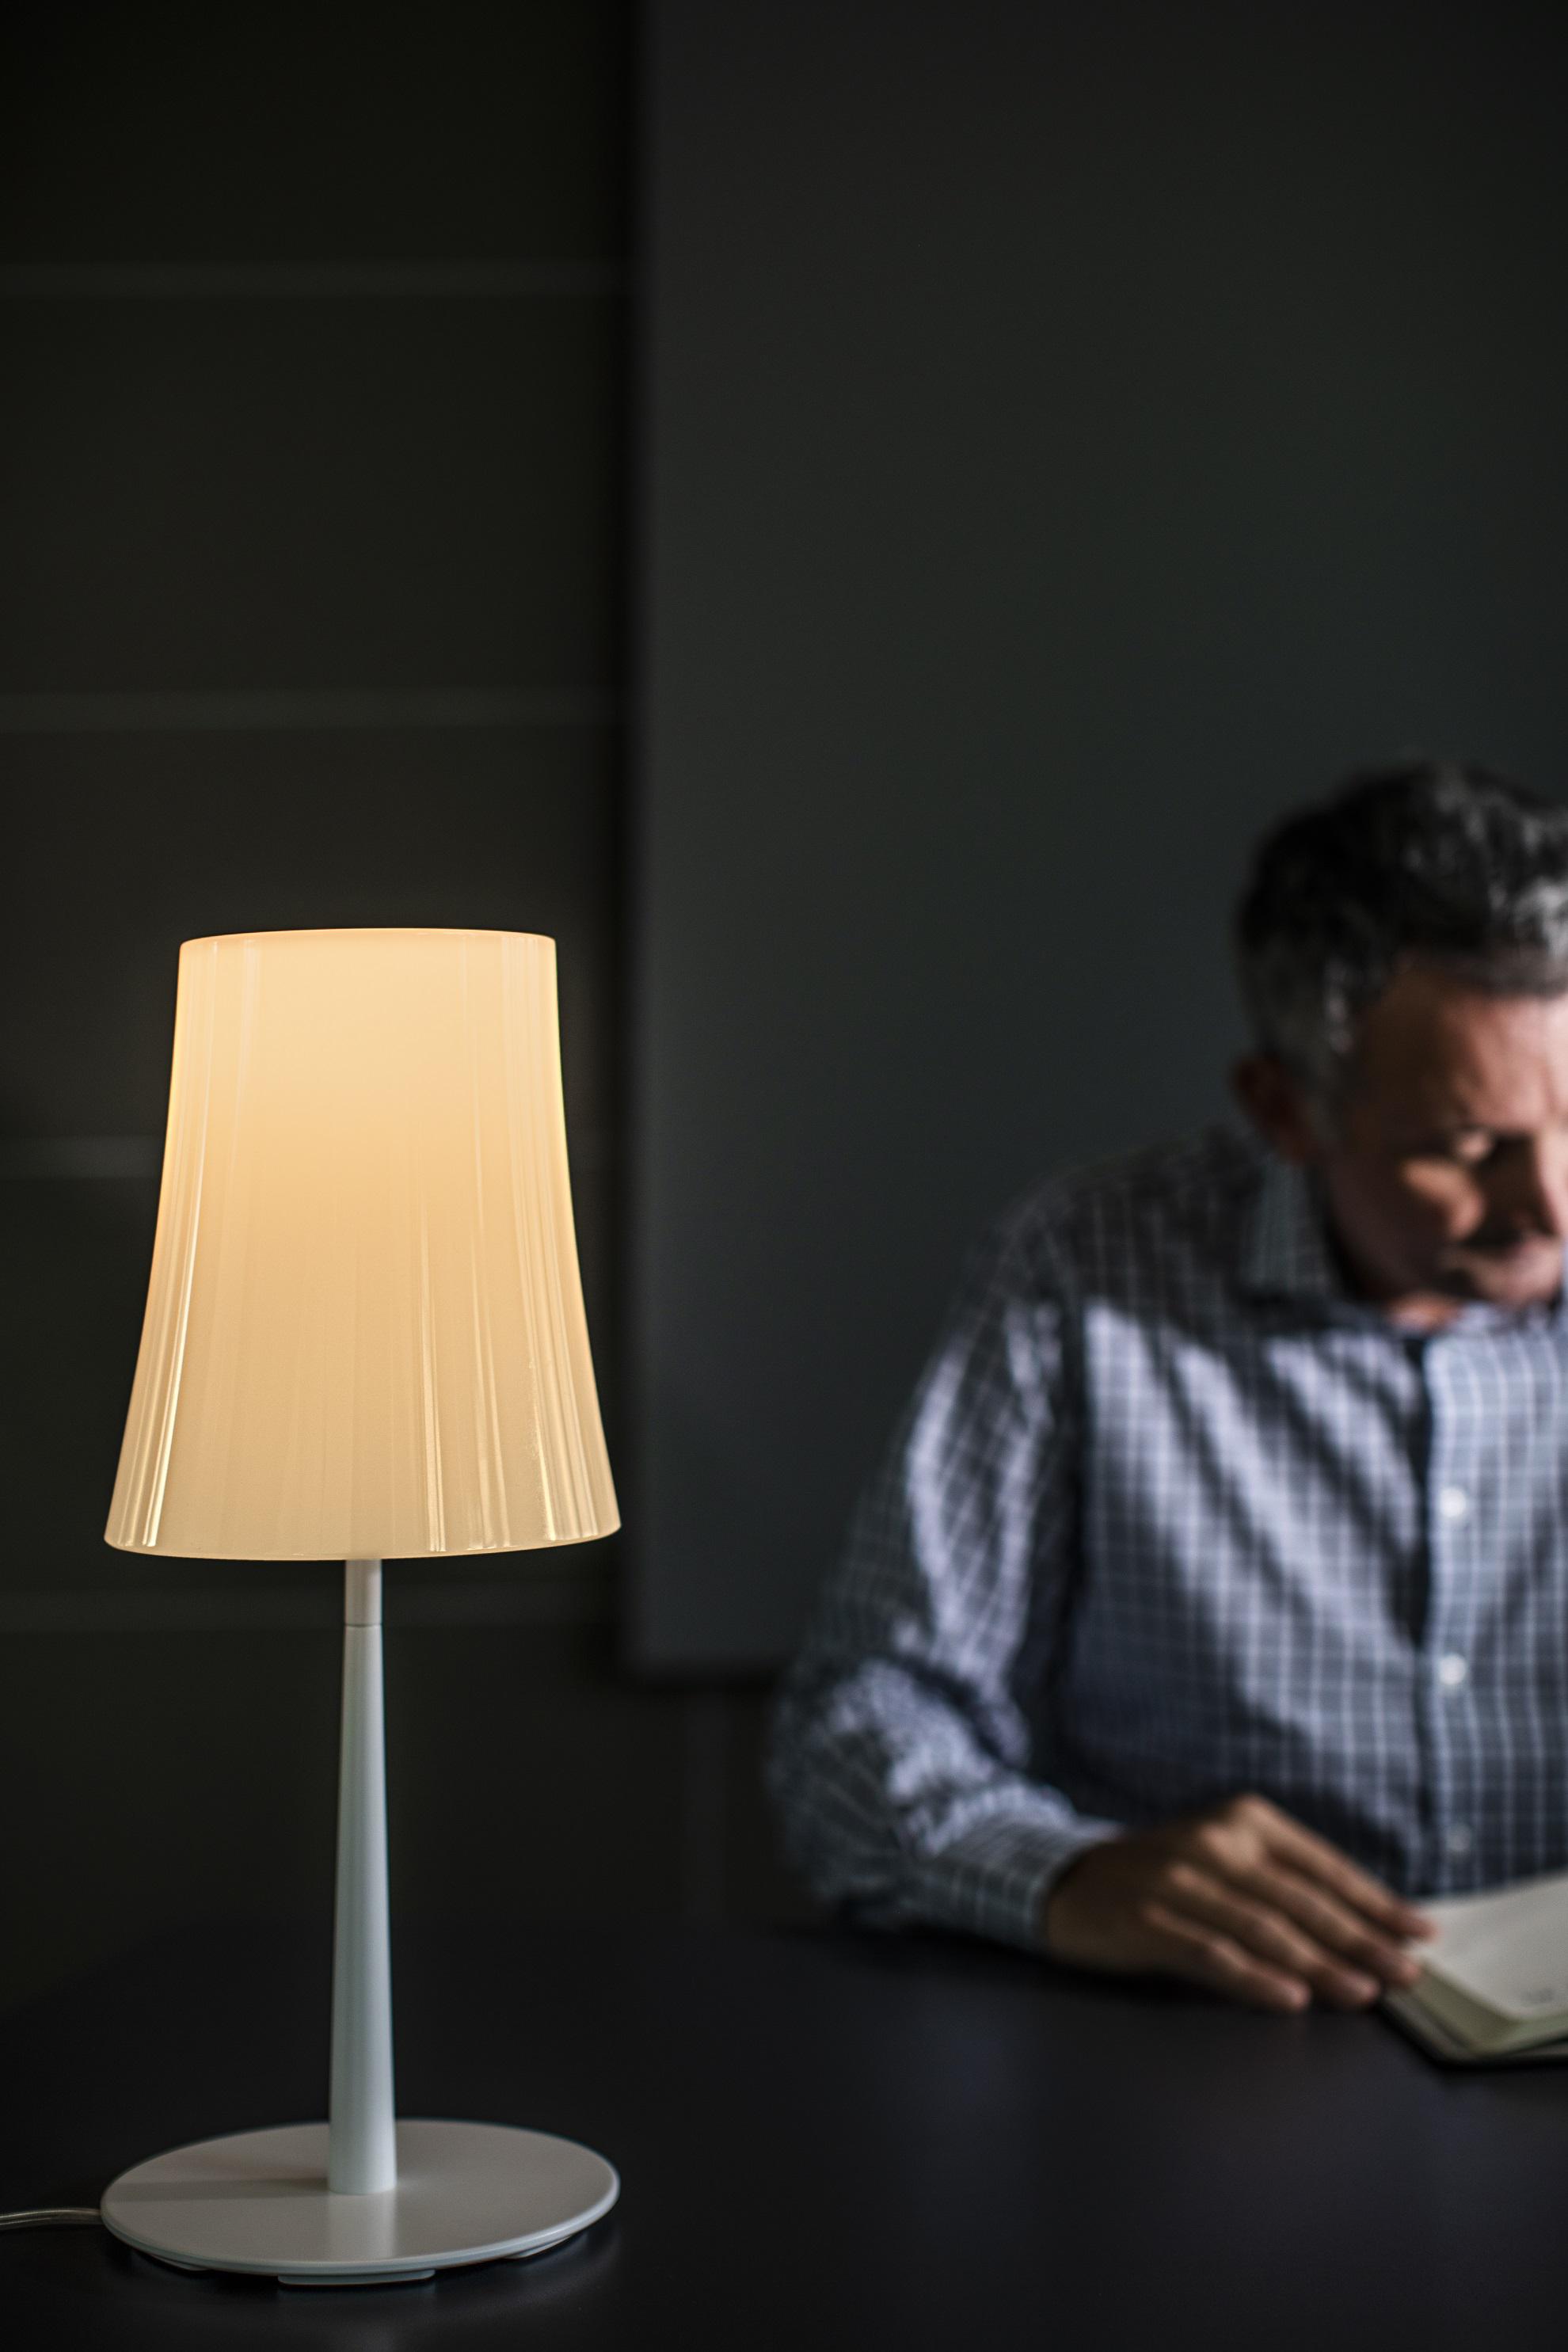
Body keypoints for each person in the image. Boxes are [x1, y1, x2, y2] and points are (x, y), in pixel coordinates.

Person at [768, 759, 1568, 2014]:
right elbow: (858, 1730)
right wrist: (1064, 1876)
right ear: (1284, 1108)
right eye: (1466, 1148)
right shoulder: (1084, 1265)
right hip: (1203, 2051)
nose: (1550, 1203)